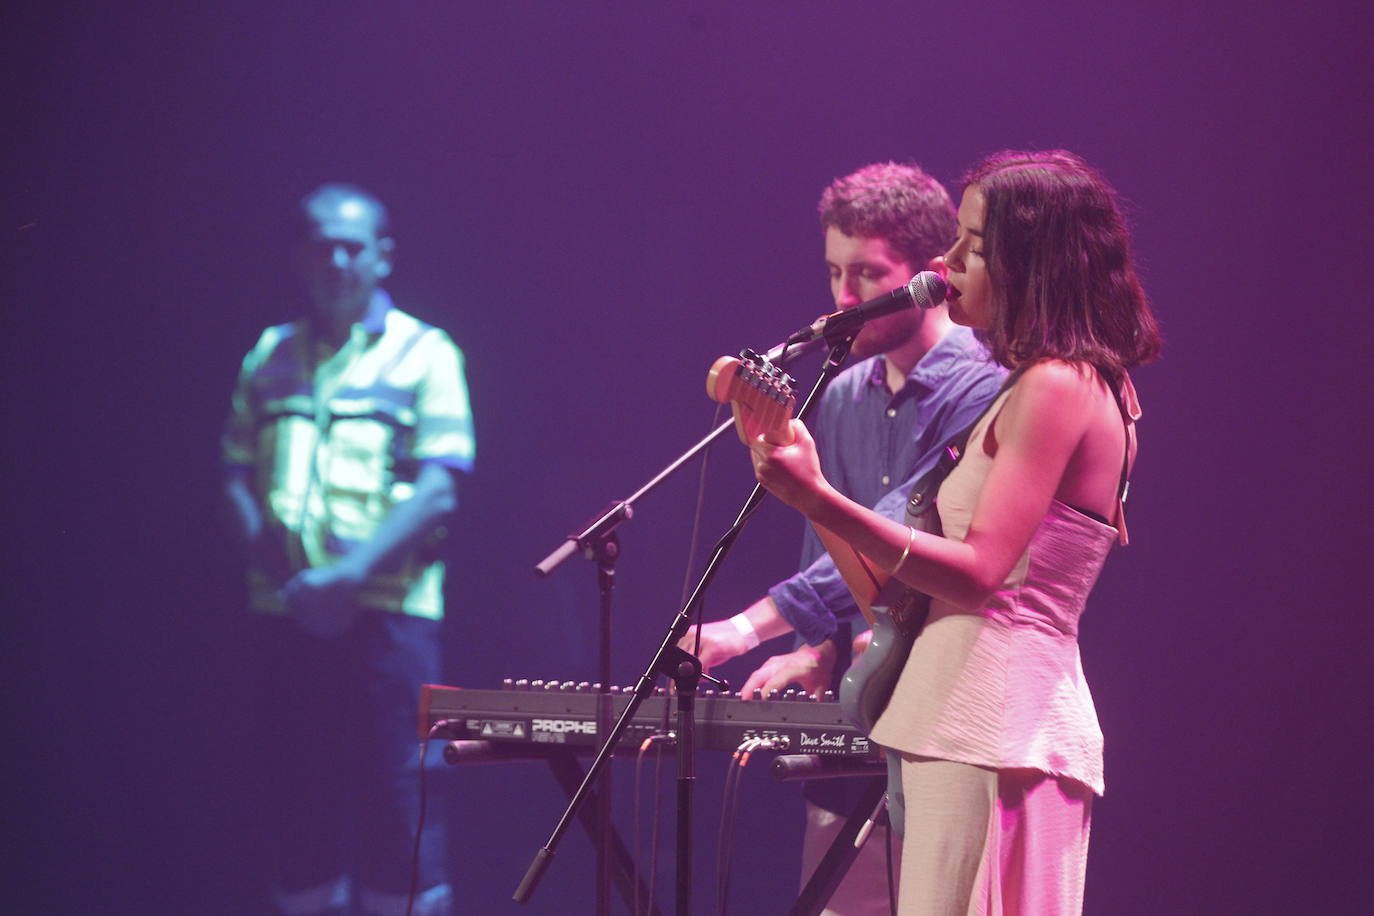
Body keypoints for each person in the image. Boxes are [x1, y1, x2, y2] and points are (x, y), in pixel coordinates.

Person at [743, 150, 1161, 914]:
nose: (948, 262)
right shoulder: (1039, 384)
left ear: (1030, 261)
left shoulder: (1058, 385)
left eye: (972, 245)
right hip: (966, 721)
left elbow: (979, 573)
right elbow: (896, 592)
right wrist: (813, 497)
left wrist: (822, 498)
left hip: (995, 722)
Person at [682, 162, 1006, 915]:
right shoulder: (845, 394)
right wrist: (813, 648)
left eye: (867, 273)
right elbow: (823, 544)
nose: (845, 296)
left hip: (948, 704)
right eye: (834, 272)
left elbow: (900, 523)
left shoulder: (984, 388)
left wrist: (744, 628)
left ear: (928, 275)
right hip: (866, 703)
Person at [223, 184, 474, 916]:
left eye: (352, 247)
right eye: (323, 245)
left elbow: (439, 490)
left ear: (382, 256)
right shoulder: (268, 353)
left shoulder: (426, 353)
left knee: (400, 802)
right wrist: (295, 583)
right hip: (287, 617)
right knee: (296, 802)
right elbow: (234, 476)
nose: (337, 260)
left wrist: (345, 577)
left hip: (391, 622)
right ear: (301, 255)